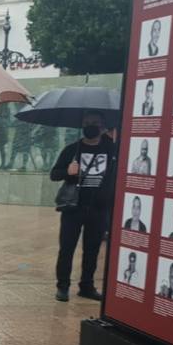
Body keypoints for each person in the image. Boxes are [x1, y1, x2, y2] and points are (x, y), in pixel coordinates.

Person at [50, 111, 116, 302]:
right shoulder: (72, 149)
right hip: (73, 208)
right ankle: (62, 286)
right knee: (67, 249)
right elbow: (54, 174)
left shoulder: (112, 149)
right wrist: (68, 172)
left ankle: (86, 286)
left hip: (99, 208)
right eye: (87, 123)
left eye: (95, 122)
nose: (91, 126)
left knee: (92, 250)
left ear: (102, 125)